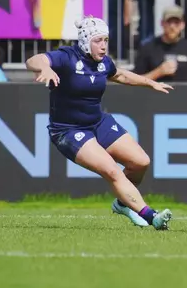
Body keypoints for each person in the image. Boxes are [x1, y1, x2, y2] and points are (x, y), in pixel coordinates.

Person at [25, 17, 173, 230]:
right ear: (85, 41)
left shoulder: (103, 62)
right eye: (98, 40)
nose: (103, 45)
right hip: (68, 130)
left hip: (97, 122)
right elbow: (34, 60)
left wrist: (150, 82)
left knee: (140, 162)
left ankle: (123, 204)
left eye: (105, 40)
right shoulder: (67, 57)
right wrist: (45, 69)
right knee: (111, 170)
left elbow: (120, 74)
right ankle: (152, 216)